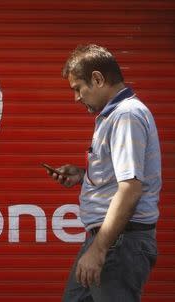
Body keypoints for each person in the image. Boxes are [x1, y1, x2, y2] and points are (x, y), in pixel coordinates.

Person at [46, 44, 161, 301]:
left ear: (97, 79)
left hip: (118, 243)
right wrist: (83, 176)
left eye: (78, 88)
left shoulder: (126, 116)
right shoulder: (112, 117)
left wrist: (99, 250)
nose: (76, 97)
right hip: (109, 240)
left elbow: (130, 188)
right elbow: (119, 177)